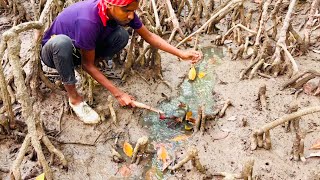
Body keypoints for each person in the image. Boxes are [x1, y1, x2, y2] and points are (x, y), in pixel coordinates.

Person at [41, 0, 202, 124]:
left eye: (133, 11)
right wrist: (119, 94)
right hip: (54, 53)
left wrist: (181, 54)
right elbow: (86, 64)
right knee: (62, 44)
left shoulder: (123, 9)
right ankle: (75, 99)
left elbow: (150, 36)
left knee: (121, 36)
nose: (131, 15)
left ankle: (90, 66)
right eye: (127, 11)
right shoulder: (88, 21)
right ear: (110, 4)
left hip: (80, 47)